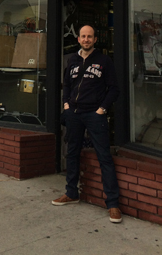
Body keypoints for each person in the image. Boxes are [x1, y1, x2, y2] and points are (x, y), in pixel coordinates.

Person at [52, 24, 122, 223]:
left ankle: (113, 204)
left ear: (95, 40)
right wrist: (66, 104)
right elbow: (67, 84)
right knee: (72, 153)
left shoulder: (104, 61)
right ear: (78, 39)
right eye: (83, 36)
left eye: (89, 36)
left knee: (104, 157)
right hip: (74, 113)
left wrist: (102, 109)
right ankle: (71, 193)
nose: (86, 39)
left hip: (94, 114)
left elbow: (114, 89)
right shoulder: (72, 60)